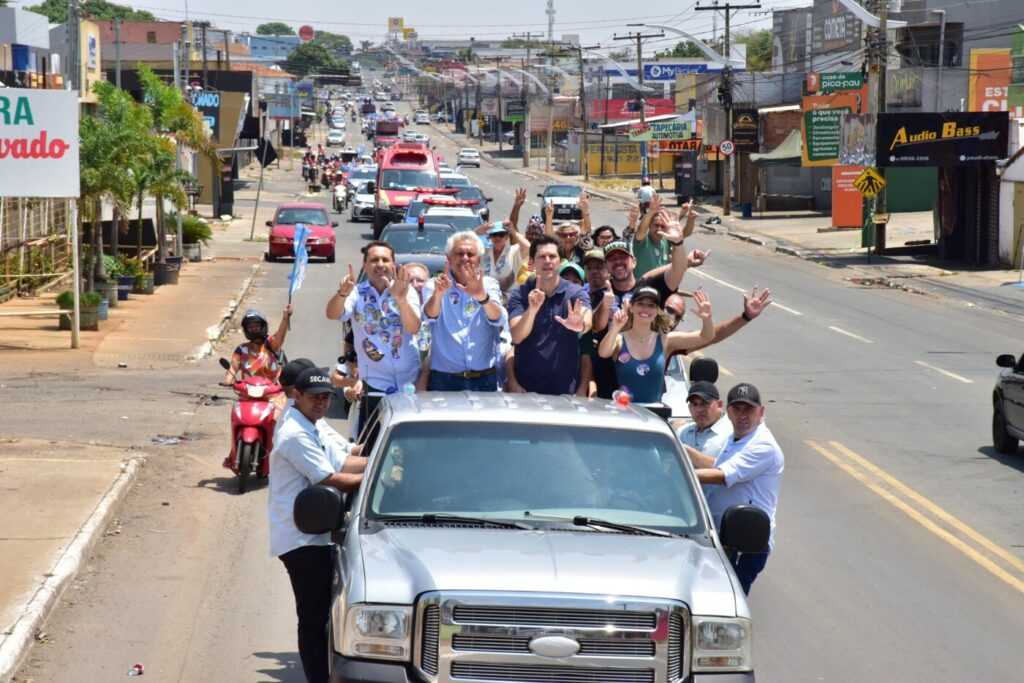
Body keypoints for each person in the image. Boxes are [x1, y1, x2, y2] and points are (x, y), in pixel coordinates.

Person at [269, 367, 365, 683]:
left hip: (315, 531)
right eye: (314, 397)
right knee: (313, 619)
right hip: (301, 540)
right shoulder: (294, 434)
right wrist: (379, 480)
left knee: (321, 617)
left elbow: (345, 459)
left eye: (326, 397)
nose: (321, 403)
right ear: (297, 395)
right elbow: (330, 478)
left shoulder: (311, 423)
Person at [684, 383, 784, 595]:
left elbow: (722, 475)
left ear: (761, 411)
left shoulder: (763, 445)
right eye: (737, 409)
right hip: (722, 537)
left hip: (745, 542)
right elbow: (718, 466)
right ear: (728, 412)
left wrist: (679, 477)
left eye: (748, 409)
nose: (742, 415)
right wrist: (683, 452)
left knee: (728, 603)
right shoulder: (737, 438)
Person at [325, 241, 421, 434]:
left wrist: (400, 300)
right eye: (374, 260)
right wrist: (342, 292)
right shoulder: (356, 293)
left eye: (385, 259)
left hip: (409, 383)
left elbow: (413, 327)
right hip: (375, 385)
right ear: (365, 265)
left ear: (393, 264)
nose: (380, 264)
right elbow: (332, 314)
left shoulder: (406, 291)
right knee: (372, 447)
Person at [421, 231, 507, 391]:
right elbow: (429, 316)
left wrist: (482, 296)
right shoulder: (434, 285)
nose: (465, 258)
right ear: (449, 258)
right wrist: (438, 294)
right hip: (444, 379)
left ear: (479, 259)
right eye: (459, 253)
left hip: (484, 378)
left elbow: (499, 318)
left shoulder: (489, 284)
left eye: (470, 254)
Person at [598, 287, 714, 404]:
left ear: (657, 311)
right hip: (625, 413)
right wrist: (615, 328)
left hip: (654, 414)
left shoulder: (665, 340)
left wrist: (707, 319)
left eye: (651, 305)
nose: (645, 309)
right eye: (640, 304)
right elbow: (603, 353)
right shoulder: (619, 339)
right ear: (632, 307)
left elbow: (706, 337)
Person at [508, 235, 592, 395]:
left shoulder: (576, 293)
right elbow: (517, 336)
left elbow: (587, 321)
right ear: (531, 263)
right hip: (525, 390)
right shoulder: (519, 294)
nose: (548, 261)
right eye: (541, 257)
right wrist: (532, 310)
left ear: (560, 262)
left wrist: (579, 325)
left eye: (553, 256)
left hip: (564, 391)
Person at [222, 307, 292, 385]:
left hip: (273, 391)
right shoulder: (241, 350)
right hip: (248, 392)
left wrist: (285, 318)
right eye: (250, 327)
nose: (253, 329)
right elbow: (233, 369)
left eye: (256, 326)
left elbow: (280, 335)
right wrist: (228, 380)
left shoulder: (271, 343)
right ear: (246, 329)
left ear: (263, 326)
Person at [677, 380, 732, 458]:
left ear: (719, 405)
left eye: (705, 403)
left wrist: (686, 452)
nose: (699, 409)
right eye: (694, 404)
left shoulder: (731, 434)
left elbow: (729, 467)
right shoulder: (682, 433)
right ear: (689, 407)